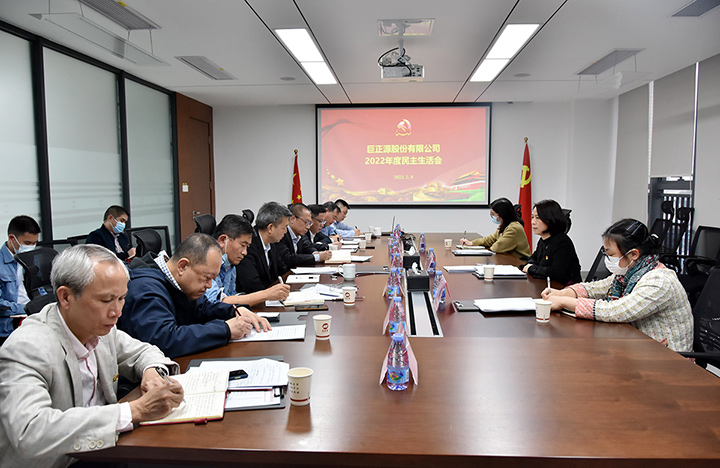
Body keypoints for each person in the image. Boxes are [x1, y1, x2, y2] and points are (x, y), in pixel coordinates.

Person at [0, 244, 184, 468]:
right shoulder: (26, 348)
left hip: (101, 450)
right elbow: (30, 431)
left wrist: (152, 372)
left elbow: (143, 351)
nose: (117, 312)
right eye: (106, 300)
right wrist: (134, 410)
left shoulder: (100, 328)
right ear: (66, 297)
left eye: (121, 298)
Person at [542, 218, 693, 352]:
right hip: (638, 345)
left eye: (611, 255)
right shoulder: (631, 271)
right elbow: (596, 287)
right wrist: (563, 293)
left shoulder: (659, 281)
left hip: (667, 358)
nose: (608, 259)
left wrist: (563, 302)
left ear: (634, 254)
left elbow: (617, 311)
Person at [119, 233, 269, 358]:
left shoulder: (177, 281)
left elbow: (202, 308)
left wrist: (233, 310)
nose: (209, 285)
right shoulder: (145, 289)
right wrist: (225, 330)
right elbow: (164, 340)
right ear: (183, 266)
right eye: (207, 277)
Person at [204, 214, 290, 305]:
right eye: (242, 245)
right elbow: (217, 303)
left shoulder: (230, 265)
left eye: (247, 247)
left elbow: (232, 296)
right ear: (222, 240)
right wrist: (267, 294)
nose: (245, 252)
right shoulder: (206, 264)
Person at [521, 199, 581, 285]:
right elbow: (532, 258)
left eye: (537, 218)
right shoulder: (543, 240)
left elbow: (555, 273)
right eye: (532, 217)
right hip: (547, 285)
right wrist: (531, 265)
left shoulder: (562, 242)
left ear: (550, 219)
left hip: (564, 288)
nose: (533, 222)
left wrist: (531, 269)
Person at [235, 202, 291, 294]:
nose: (285, 232)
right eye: (284, 227)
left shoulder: (271, 243)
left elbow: (280, 270)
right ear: (270, 228)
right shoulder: (249, 244)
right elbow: (251, 284)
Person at [1, 215, 41, 342]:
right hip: (9, 326)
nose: (32, 247)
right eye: (27, 243)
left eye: (34, 243)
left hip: (34, 320)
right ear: (12, 239)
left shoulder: (32, 259)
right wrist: (25, 308)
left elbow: (41, 287)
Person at [460, 197, 531, 259]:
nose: (492, 216)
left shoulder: (513, 228)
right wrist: (471, 243)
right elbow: (489, 240)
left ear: (502, 214)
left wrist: (490, 246)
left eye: (493, 214)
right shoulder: (505, 225)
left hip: (519, 263)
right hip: (508, 260)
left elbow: (497, 248)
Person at [276, 203, 332, 268]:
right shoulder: (282, 234)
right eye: (306, 222)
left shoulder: (300, 234)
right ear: (292, 219)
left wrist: (316, 253)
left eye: (309, 223)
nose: (308, 227)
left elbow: (307, 247)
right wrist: (317, 257)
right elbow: (287, 258)